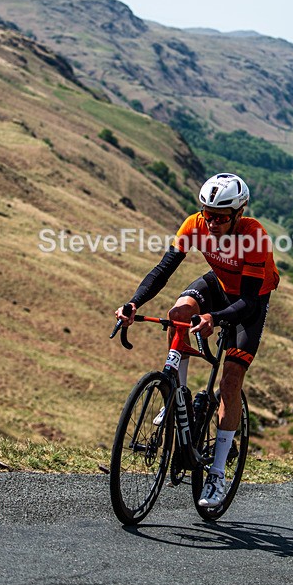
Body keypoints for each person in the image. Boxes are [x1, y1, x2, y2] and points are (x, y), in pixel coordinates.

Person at [115, 173, 279, 507]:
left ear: (238, 212)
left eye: (221, 217)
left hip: (250, 300)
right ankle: (177, 395)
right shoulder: (195, 225)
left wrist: (215, 319)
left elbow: (247, 301)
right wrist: (133, 303)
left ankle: (217, 475)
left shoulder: (253, 235)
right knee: (179, 312)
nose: (213, 222)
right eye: (208, 213)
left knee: (230, 382)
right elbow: (163, 270)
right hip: (218, 285)